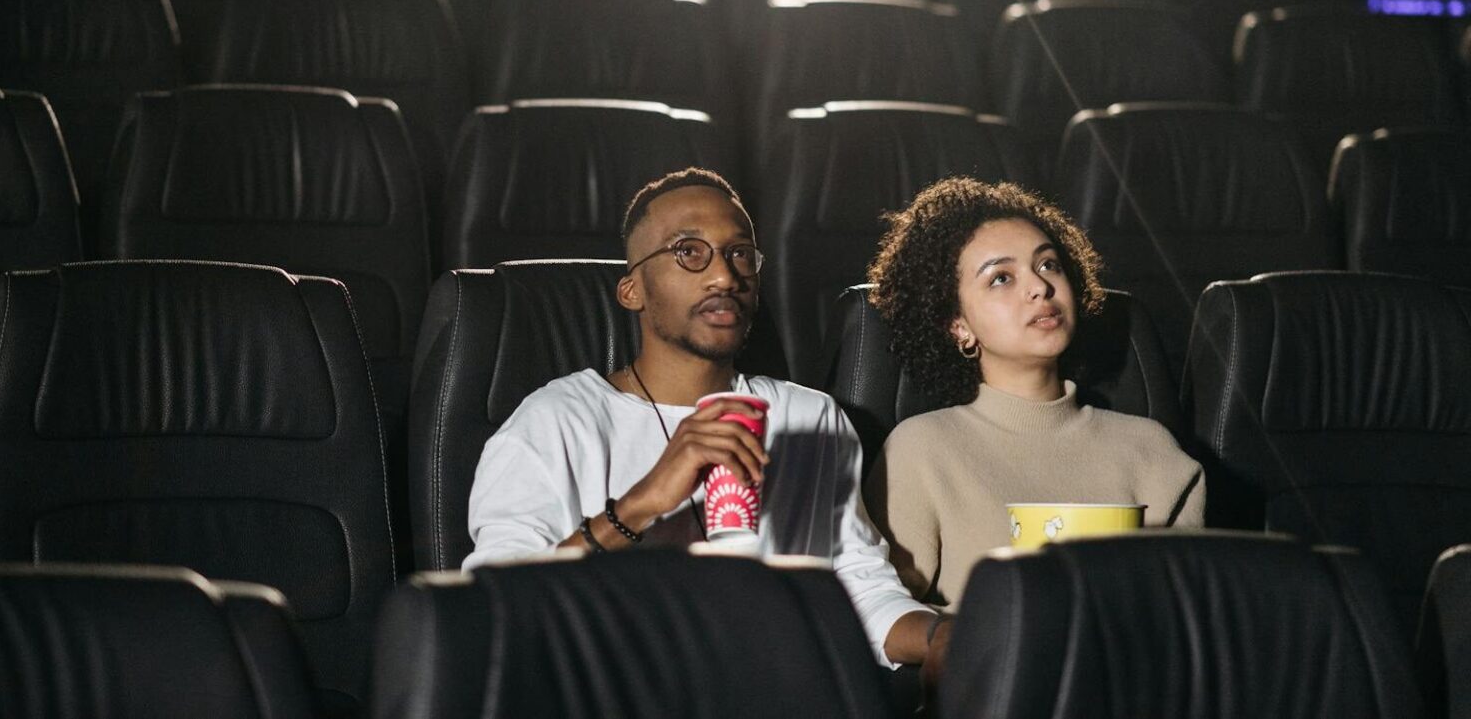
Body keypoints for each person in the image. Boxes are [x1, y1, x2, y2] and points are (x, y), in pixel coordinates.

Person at [464, 168, 946, 669]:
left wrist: (947, 638)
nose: (725, 276)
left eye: (739, 253)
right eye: (688, 252)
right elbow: (496, 617)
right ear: (632, 291)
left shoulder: (808, 417)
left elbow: (860, 591)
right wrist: (637, 506)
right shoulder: (555, 421)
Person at [863, 176, 1205, 609]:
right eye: (1001, 278)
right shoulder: (921, 450)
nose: (1040, 288)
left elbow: (1188, 613)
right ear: (958, 325)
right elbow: (885, 614)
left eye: (1048, 265)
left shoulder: (1152, 450)